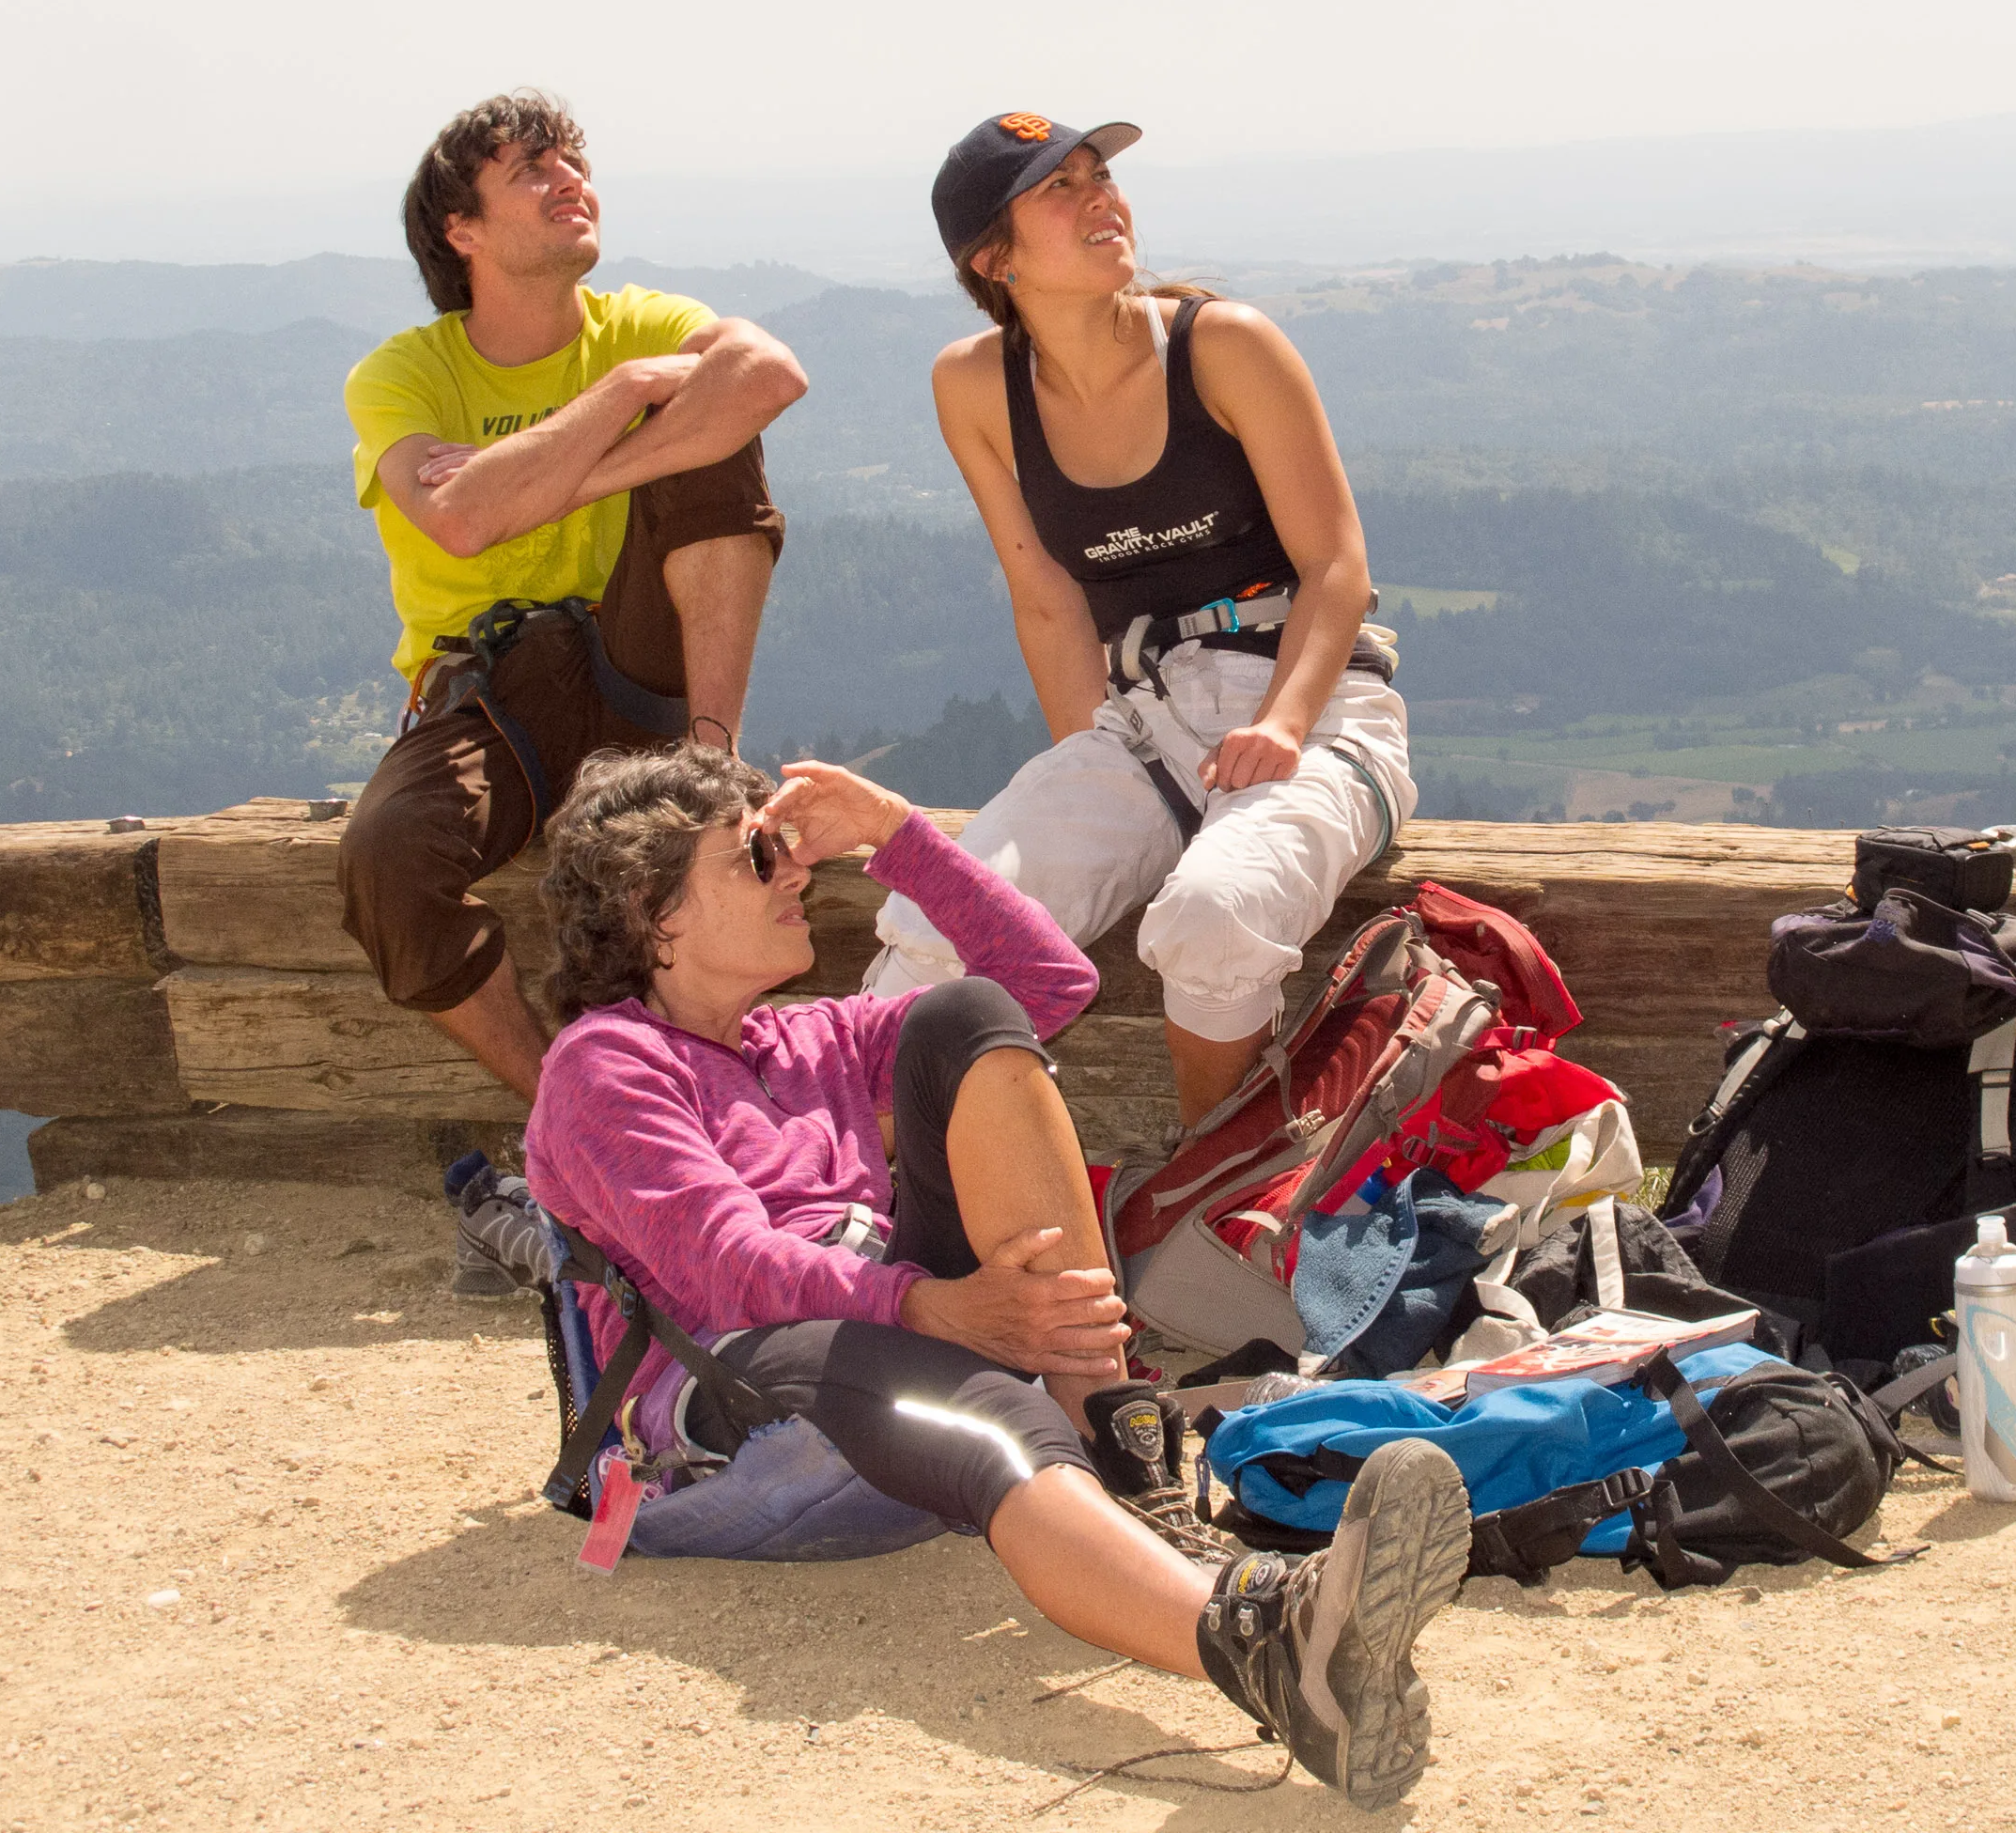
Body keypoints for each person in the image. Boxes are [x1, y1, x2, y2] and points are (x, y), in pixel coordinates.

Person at [523, 744, 1474, 1810]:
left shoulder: (808, 1038)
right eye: (753, 855)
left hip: (869, 1336)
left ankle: (1125, 1461)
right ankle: (1267, 1642)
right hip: (726, 1402)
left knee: (963, 1018)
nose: (793, 870)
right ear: (657, 913)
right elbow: (730, 1269)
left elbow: (1044, 986)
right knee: (970, 1399)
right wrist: (937, 1306)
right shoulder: (604, 1065)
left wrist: (896, 831)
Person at [861, 114, 1417, 1126]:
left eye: (1097, 174)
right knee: (941, 921)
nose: (1099, 196)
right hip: (1146, 719)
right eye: (1058, 189)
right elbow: (1044, 594)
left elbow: (1336, 565)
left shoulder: (1223, 345)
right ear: (994, 257)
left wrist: (1285, 723)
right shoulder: (973, 385)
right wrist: (1098, 778)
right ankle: (846, 1208)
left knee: (1213, 914)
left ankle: (1210, 1190)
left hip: (1320, 706)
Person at [335, 88, 807, 1126]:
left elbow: (769, 373)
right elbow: (459, 523)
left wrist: (561, 477)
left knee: (718, 431)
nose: (570, 183)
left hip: (641, 660)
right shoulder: (403, 376)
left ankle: (714, 766)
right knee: (387, 858)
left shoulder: (644, 318)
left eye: (574, 163)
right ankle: (584, 1113)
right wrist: (630, 388)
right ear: (462, 229)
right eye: (532, 170)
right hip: (491, 694)